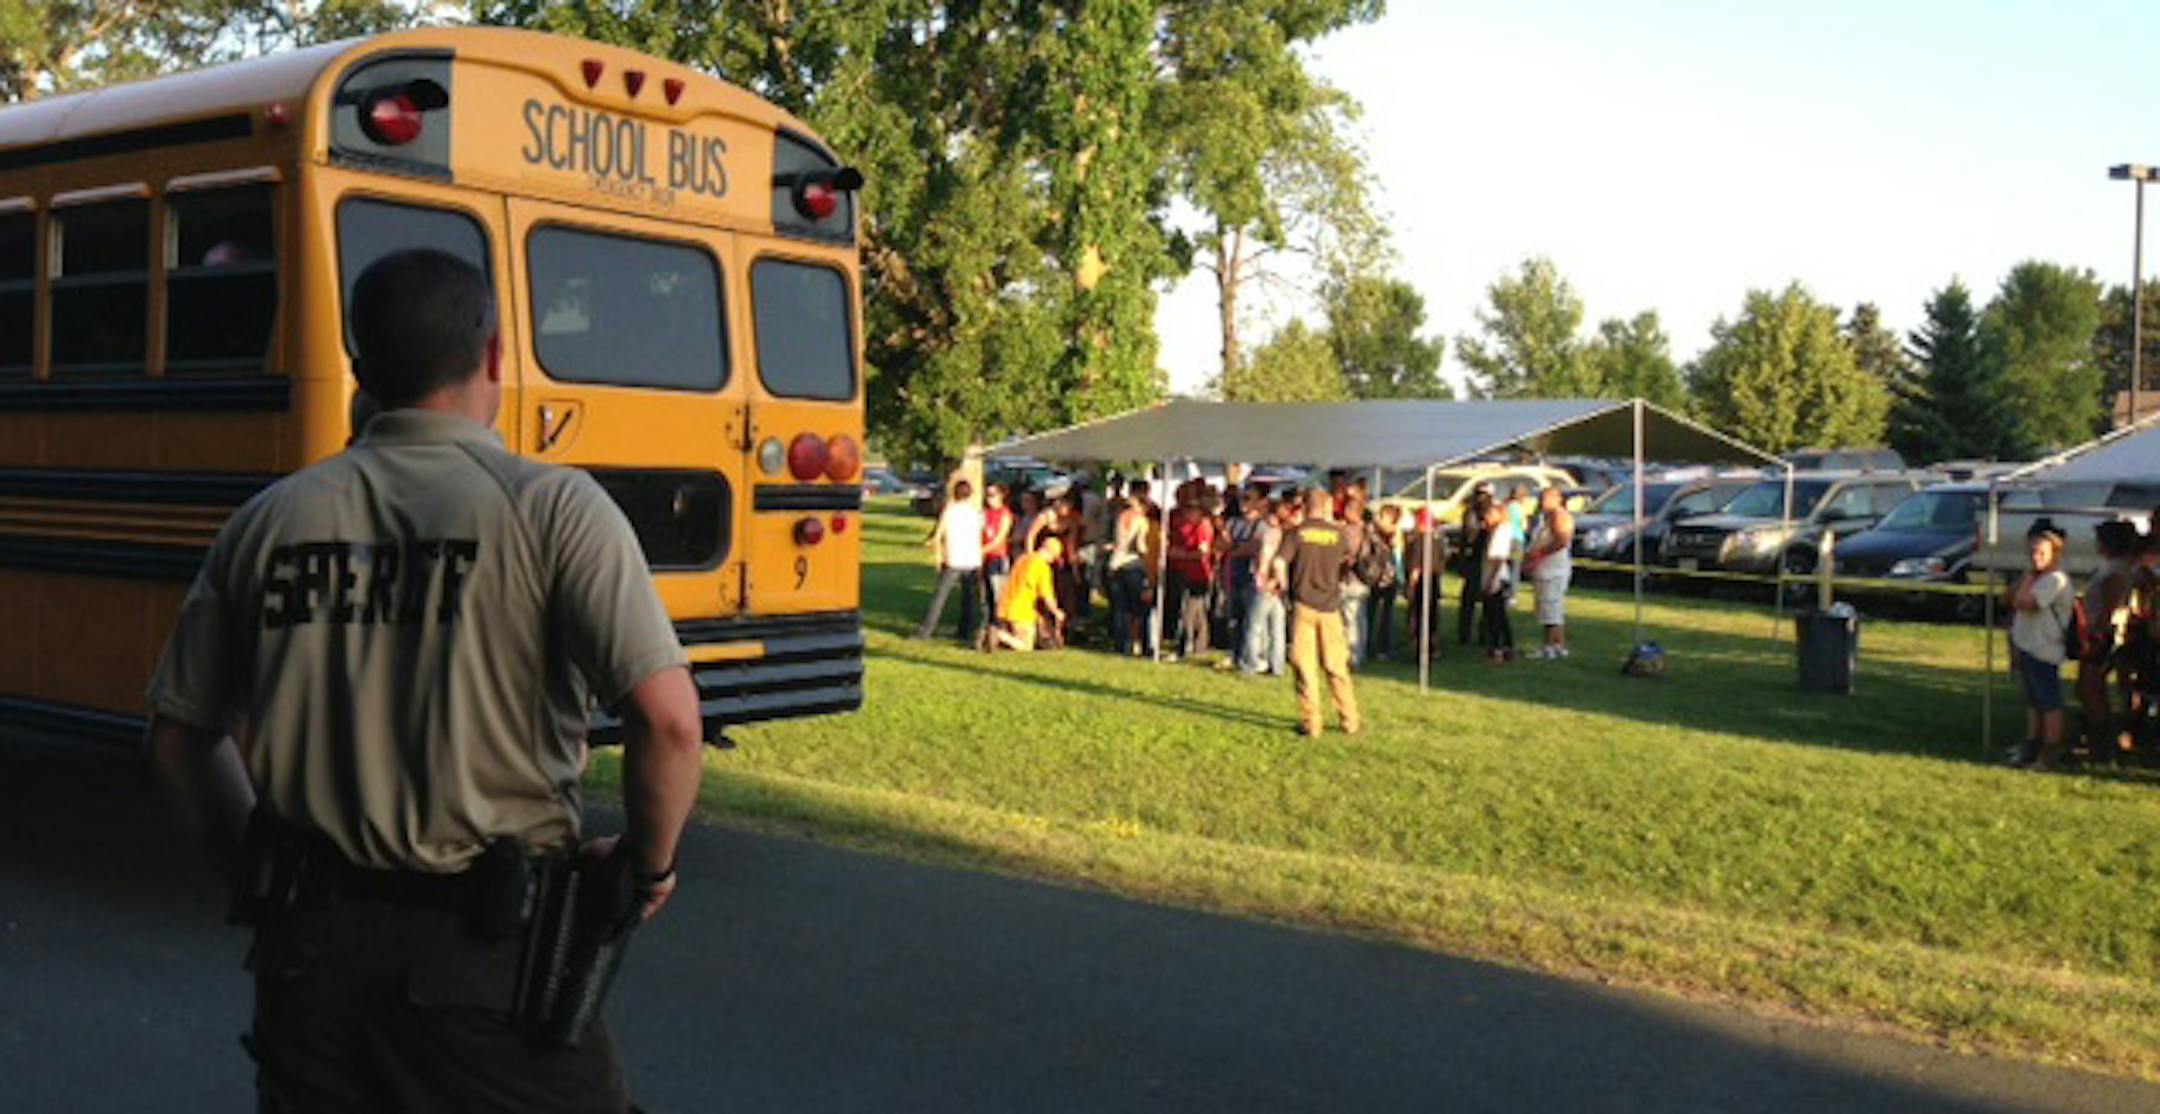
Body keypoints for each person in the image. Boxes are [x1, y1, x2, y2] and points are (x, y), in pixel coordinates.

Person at [144, 249, 704, 1111]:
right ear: (493, 357)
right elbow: (666, 721)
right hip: (489, 963)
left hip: (310, 960)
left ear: (362, 370)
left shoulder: (269, 521)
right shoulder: (551, 508)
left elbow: (183, 733)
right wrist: (647, 866)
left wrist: (256, 875)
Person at [1275, 489, 1361, 737]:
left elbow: (1280, 563)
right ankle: (1349, 719)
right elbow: (1347, 561)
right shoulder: (1338, 535)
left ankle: (1312, 723)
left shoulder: (1296, 533)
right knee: (1336, 665)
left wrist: (1283, 587)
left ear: (1305, 507)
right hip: (1331, 606)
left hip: (1303, 605)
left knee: (1305, 666)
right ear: (1327, 506)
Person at [2007, 520, 2075, 769]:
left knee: (2049, 702)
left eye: (2041, 553)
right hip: (2027, 644)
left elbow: (2025, 602)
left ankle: (2051, 749)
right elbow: (2010, 599)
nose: (2036, 558)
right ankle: (2031, 744)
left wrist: (2027, 580)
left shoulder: (2054, 580)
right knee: (2034, 702)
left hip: (2045, 648)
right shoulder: (2038, 578)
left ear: (2054, 554)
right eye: (2032, 552)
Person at [2077, 520, 2137, 762]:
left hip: (2104, 633)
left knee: (2091, 688)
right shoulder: (2115, 568)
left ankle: (2101, 743)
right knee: (2088, 687)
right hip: (2102, 631)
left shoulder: (2116, 572)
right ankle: (2095, 737)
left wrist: (2096, 633)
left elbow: (2110, 608)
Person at [916, 478, 984, 642]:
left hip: (954, 558)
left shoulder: (950, 511)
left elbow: (939, 536)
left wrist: (939, 556)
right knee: (969, 599)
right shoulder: (976, 513)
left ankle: (926, 631)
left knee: (940, 597)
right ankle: (966, 630)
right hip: (972, 559)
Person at [1165, 481, 1216, 660]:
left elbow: (1202, 552)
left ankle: (1184, 646)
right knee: (1194, 611)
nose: (1187, 512)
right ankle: (1199, 645)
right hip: (1181, 571)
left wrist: (1181, 553)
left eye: (1191, 509)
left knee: (1189, 610)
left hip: (1198, 574)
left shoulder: (1203, 526)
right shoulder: (1177, 520)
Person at [1241, 497, 1290, 677]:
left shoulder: (1269, 534)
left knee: (1254, 625)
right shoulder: (1287, 534)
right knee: (1277, 627)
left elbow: (1266, 557)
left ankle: (1252, 663)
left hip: (1267, 582)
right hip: (1280, 584)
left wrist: (1261, 578)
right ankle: (1277, 665)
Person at [992, 535, 1068, 652]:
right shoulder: (1042, 567)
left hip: (1004, 606)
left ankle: (1002, 637)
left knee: (1020, 638)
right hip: (1021, 612)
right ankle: (999, 635)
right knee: (1026, 646)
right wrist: (1057, 612)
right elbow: (1047, 596)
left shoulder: (1023, 558)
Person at [1526, 486, 1575, 659]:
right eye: (1541, 498)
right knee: (1545, 609)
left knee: (1552, 608)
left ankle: (1554, 645)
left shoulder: (1561, 516)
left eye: (1546, 498)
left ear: (1557, 499)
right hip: (1543, 569)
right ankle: (1551, 645)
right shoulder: (1543, 517)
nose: (1542, 502)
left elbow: (1561, 541)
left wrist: (1539, 553)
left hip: (1554, 570)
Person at [1480, 495, 1517, 663]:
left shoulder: (1501, 532)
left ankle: (1499, 648)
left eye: (1489, 514)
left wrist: (1491, 580)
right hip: (1493, 575)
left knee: (1496, 614)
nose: (1486, 518)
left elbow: (1497, 558)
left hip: (1497, 577)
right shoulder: (1495, 531)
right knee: (1496, 614)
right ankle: (1504, 646)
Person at [1365, 504, 1405, 662]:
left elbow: (1395, 546)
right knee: (1370, 612)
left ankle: (1384, 648)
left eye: (1383, 517)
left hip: (1389, 579)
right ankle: (1368, 644)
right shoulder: (1374, 532)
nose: (1379, 519)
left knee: (1387, 615)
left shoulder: (1394, 534)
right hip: (1375, 577)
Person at [1337, 488, 1371, 666]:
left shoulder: (1350, 532)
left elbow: (1345, 554)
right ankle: (1359, 651)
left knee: (1349, 619)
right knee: (1359, 618)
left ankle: (1353, 654)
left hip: (1351, 579)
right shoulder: (1367, 530)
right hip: (1363, 579)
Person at [1457, 486, 1494, 645]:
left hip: (1486, 558)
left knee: (1487, 599)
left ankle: (1484, 634)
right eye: (1478, 495)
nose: (1480, 499)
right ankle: (1465, 633)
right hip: (1473, 559)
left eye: (1484, 496)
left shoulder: (1492, 513)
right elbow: (1467, 537)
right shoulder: (1470, 513)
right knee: (1468, 599)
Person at [981, 483, 1015, 613]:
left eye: (992, 495)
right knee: (985, 593)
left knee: (998, 592)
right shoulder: (985, 513)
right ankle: (988, 622)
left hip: (998, 557)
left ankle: (999, 622)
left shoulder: (1005, 514)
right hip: (985, 558)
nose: (989, 498)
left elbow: (1000, 538)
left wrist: (982, 550)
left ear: (1001, 496)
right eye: (988, 495)